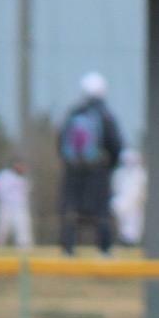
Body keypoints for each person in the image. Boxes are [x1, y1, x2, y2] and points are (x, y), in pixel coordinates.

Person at [57, 72, 123, 255]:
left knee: (70, 210)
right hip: (98, 171)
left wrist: (70, 163)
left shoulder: (73, 113)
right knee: (101, 212)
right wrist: (111, 166)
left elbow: (61, 141)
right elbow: (115, 144)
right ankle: (104, 250)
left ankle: (68, 249)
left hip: (73, 170)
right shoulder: (105, 115)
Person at [0, 160, 34, 249]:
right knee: (2, 228)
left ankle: (24, 249)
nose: (22, 168)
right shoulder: (4, 175)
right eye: (20, 165)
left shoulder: (24, 179)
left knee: (23, 227)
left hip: (20, 207)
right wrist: (0, 196)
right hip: (5, 206)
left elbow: (25, 193)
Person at [111, 148, 147, 247]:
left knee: (134, 224)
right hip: (121, 202)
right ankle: (123, 240)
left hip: (135, 204)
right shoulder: (119, 173)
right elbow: (116, 188)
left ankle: (132, 242)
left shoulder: (140, 174)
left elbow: (142, 190)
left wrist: (139, 200)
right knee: (123, 223)